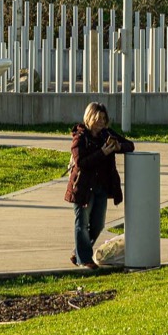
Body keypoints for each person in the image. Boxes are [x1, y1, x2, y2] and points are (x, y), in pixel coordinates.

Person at [65, 101, 132, 270]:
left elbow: (130, 145)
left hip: (101, 187)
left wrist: (118, 146)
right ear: (90, 118)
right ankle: (84, 259)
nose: (102, 121)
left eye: (104, 118)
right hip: (83, 187)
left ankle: (79, 251)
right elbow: (81, 162)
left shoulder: (106, 134)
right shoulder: (80, 138)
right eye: (98, 118)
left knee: (98, 224)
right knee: (82, 223)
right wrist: (102, 153)